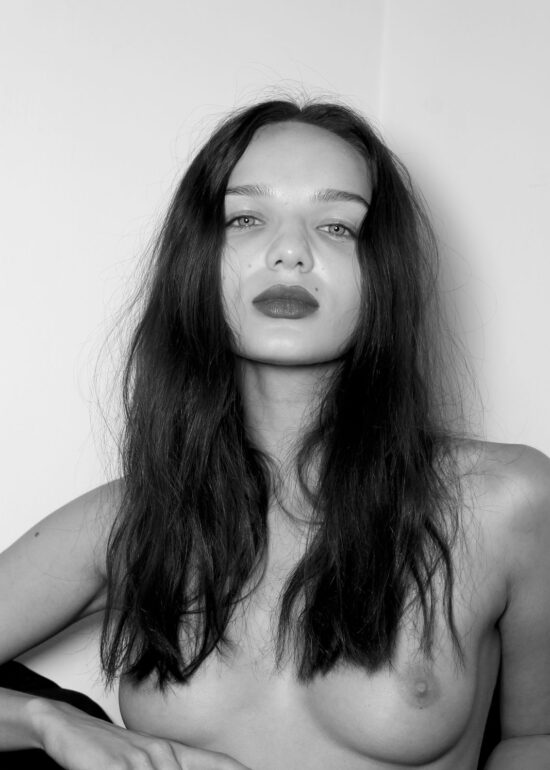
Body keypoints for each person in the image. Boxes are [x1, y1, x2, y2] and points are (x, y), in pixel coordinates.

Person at [1, 98, 549, 770]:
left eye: (338, 226)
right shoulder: (133, 519)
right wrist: (47, 721)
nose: (290, 252)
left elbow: (538, 737)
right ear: (197, 260)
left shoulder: (507, 501)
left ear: (385, 272)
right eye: (246, 218)